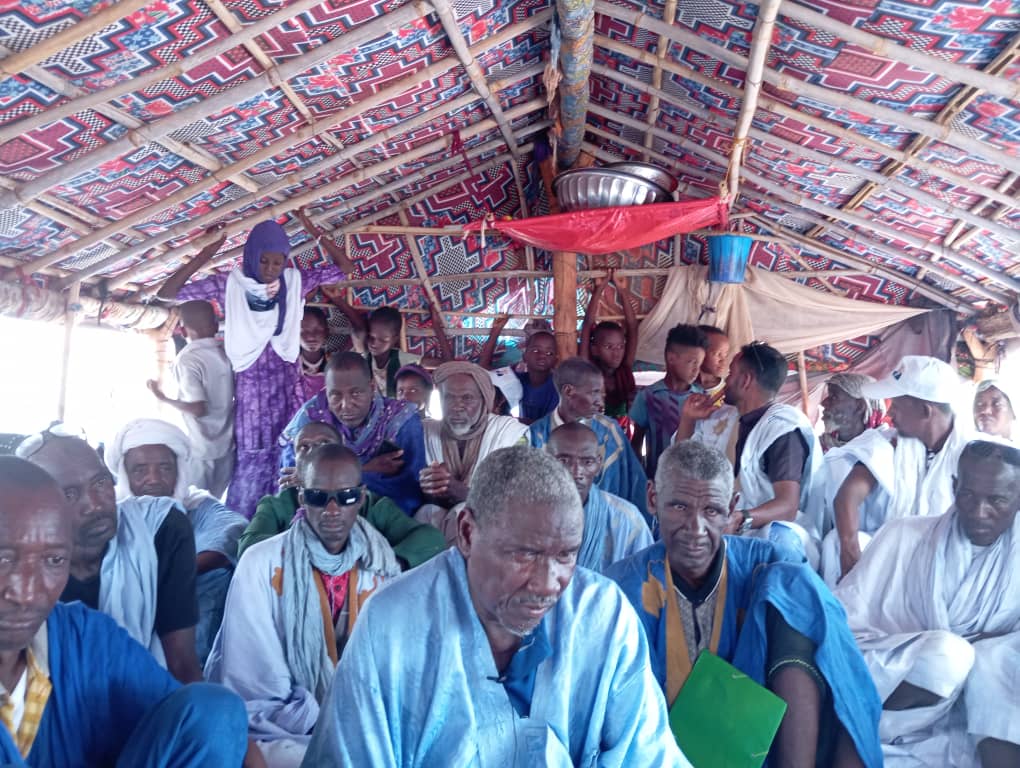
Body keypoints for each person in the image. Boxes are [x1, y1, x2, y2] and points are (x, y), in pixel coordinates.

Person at [302, 446, 690, 767]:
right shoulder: (392, 625)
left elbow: (648, 755)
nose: (547, 583)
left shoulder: (603, 615)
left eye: (566, 555)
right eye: (524, 554)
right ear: (467, 533)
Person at [608, 441, 882, 768]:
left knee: (795, 587)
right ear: (653, 499)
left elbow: (845, 672)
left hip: (758, 750)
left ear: (731, 507)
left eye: (711, 511)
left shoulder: (765, 565)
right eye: (679, 507)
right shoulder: (621, 586)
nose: (695, 528)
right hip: (654, 750)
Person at [0, 457, 254, 768]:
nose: (27, 592)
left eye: (53, 560)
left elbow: (201, 717)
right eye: (3, 559)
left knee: (214, 710)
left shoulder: (84, 638)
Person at [207, 444, 400, 768]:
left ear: (361, 498)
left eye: (346, 497)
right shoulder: (261, 563)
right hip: (279, 725)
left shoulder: (381, 565)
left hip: (359, 719)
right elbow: (255, 679)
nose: (332, 510)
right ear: (301, 498)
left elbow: (388, 669)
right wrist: (320, 716)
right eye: (318, 497)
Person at [836, 439, 1020, 768]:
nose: (979, 512)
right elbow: (844, 627)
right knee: (950, 657)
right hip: (891, 698)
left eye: (997, 500)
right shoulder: (903, 535)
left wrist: (991, 654)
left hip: (979, 714)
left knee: (995, 659)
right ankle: (858, 730)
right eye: (968, 495)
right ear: (954, 486)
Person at [156, 219, 353, 519]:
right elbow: (168, 293)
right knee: (252, 466)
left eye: (278, 261)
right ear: (251, 256)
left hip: (288, 391)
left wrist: (314, 230)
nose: (271, 269)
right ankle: (249, 529)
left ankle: (294, 524)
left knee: (292, 457)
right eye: (263, 260)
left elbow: (345, 268)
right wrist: (208, 252)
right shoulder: (230, 284)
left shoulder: (293, 283)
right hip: (252, 399)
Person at [19, 431, 204, 684]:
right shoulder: (18, 565)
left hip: (146, 694)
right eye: (69, 494)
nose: (95, 505)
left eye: (100, 483)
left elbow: (181, 659)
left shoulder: (160, 529)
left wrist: (198, 705)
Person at [105, 419, 248, 663]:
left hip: (186, 625)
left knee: (216, 577)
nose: (153, 478)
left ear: (179, 470)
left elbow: (233, 531)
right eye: (140, 470)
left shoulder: (196, 504)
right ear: (125, 474)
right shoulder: (110, 512)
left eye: (165, 468)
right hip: (119, 626)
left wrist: (166, 577)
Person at [822, 355, 970, 584]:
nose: (890, 414)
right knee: (834, 541)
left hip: (951, 562)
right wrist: (850, 553)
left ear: (925, 411)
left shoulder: (975, 456)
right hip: (897, 553)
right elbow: (846, 497)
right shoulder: (890, 442)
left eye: (897, 406)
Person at [678, 342, 823, 565]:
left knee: (778, 542)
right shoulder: (722, 417)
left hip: (768, 534)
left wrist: (740, 519)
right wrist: (688, 418)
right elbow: (680, 462)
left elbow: (788, 506)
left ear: (745, 380)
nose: (725, 380)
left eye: (731, 374)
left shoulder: (782, 429)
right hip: (724, 526)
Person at [239, 421, 444, 565]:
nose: (314, 452)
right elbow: (249, 547)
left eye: (324, 444)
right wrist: (311, 561)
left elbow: (430, 540)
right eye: (304, 447)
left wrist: (385, 563)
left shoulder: (368, 503)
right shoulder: (277, 505)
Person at [280, 352, 426, 514]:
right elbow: (291, 480)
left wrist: (317, 478)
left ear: (372, 388)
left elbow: (410, 488)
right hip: (323, 514)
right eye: (335, 395)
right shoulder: (312, 416)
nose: (346, 405)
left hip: (386, 515)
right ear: (326, 391)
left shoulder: (401, 420)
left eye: (356, 393)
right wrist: (365, 470)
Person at [416, 362, 529, 543]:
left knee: (462, 512)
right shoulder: (425, 432)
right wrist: (431, 488)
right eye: (448, 397)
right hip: (439, 523)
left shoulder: (509, 435)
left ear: (484, 401)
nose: (456, 406)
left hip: (493, 534)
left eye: (467, 398)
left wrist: (461, 492)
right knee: (427, 513)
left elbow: (514, 505)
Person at [529, 357, 649, 519]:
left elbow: (634, 485)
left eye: (601, 393)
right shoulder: (535, 436)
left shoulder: (609, 433)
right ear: (568, 391)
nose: (600, 403)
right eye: (594, 392)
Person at [147, 300, 235, 497]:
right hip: (227, 446)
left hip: (201, 449)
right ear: (215, 326)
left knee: (193, 504)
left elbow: (198, 409)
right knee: (215, 504)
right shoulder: (226, 354)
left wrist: (162, 397)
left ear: (183, 331)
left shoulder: (187, 359)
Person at [546, 422, 652, 572]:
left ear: (598, 464)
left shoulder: (627, 521)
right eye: (564, 461)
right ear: (546, 461)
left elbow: (646, 578)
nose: (576, 473)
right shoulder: (526, 516)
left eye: (587, 462)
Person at [630, 324, 708, 479]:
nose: (696, 370)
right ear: (671, 358)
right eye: (691, 362)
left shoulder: (701, 398)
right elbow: (636, 442)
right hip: (657, 478)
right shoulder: (649, 396)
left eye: (699, 364)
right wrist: (640, 478)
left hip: (692, 480)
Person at [580, 271, 638, 427]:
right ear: (594, 350)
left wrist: (622, 290)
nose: (616, 352)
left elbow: (633, 327)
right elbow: (587, 324)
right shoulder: (589, 372)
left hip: (622, 439)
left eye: (620, 346)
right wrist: (599, 289)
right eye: (608, 347)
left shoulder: (624, 371)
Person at [481, 317, 559, 424]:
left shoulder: (556, 389)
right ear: (525, 356)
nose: (542, 356)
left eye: (549, 353)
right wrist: (496, 330)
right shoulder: (516, 379)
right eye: (536, 350)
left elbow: (550, 426)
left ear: (555, 360)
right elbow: (483, 370)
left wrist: (509, 421)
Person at [819, 373, 885, 452]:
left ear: (859, 406)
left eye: (834, 397)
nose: (823, 403)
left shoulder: (885, 449)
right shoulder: (816, 447)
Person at [296, 306, 330, 405]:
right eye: (304, 331)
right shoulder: (290, 365)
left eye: (318, 330)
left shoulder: (334, 362)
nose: (311, 337)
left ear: (327, 332)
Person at [697, 325, 730, 404]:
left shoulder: (727, 391)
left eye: (725, 355)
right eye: (718, 354)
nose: (723, 361)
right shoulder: (682, 386)